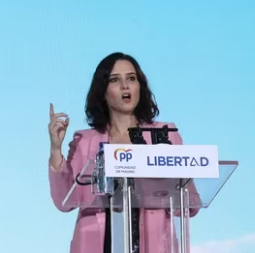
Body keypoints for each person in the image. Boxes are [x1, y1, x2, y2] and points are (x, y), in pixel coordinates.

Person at [48, 52, 197, 253]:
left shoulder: (164, 135)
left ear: (140, 86)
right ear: (103, 90)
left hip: (153, 245)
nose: (125, 86)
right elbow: (64, 201)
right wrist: (56, 148)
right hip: (98, 244)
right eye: (115, 80)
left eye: (131, 78)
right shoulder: (85, 141)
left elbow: (190, 203)